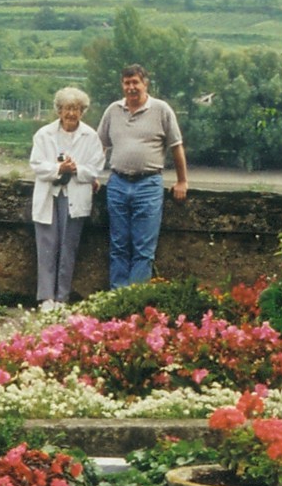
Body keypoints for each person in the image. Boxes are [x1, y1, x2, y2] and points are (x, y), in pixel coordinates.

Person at [96, 63, 188, 289]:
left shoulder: (161, 110)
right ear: (122, 85)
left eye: (135, 82)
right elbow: (100, 146)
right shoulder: (113, 110)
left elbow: (176, 146)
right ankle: (116, 299)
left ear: (145, 83)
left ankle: (134, 302)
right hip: (117, 182)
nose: (131, 87)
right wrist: (93, 175)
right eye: (127, 83)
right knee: (118, 245)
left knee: (143, 248)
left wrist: (182, 181)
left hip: (148, 184)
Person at [29, 86, 105, 312]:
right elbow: (36, 164)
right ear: (59, 111)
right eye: (66, 108)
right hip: (49, 194)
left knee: (68, 246)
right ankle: (46, 297)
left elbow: (96, 168)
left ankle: (62, 297)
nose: (71, 113)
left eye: (76, 109)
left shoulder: (91, 136)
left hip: (75, 195)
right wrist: (58, 168)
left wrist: (75, 169)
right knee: (46, 245)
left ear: (83, 111)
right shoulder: (44, 134)